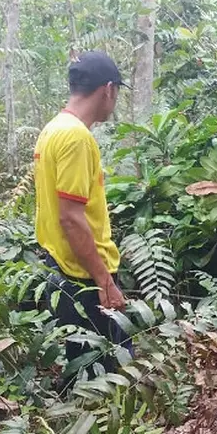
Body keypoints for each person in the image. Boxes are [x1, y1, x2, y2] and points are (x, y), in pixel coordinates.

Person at [34, 51, 132, 389]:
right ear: (108, 90)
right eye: (117, 91)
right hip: (84, 276)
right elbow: (71, 219)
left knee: (85, 366)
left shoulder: (53, 130)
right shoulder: (76, 137)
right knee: (115, 372)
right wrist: (104, 281)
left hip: (63, 268)